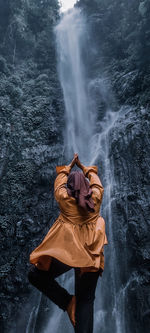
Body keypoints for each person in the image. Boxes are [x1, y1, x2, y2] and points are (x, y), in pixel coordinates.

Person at [28, 154, 108, 332]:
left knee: (35, 275)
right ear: (87, 187)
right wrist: (84, 167)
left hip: (67, 254)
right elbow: (96, 181)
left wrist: (70, 166)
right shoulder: (96, 197)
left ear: (70, 188)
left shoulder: (64, 199)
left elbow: (60, 181)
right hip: (91, 257)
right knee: (86, 300)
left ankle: (66, 301)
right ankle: (72, 304)